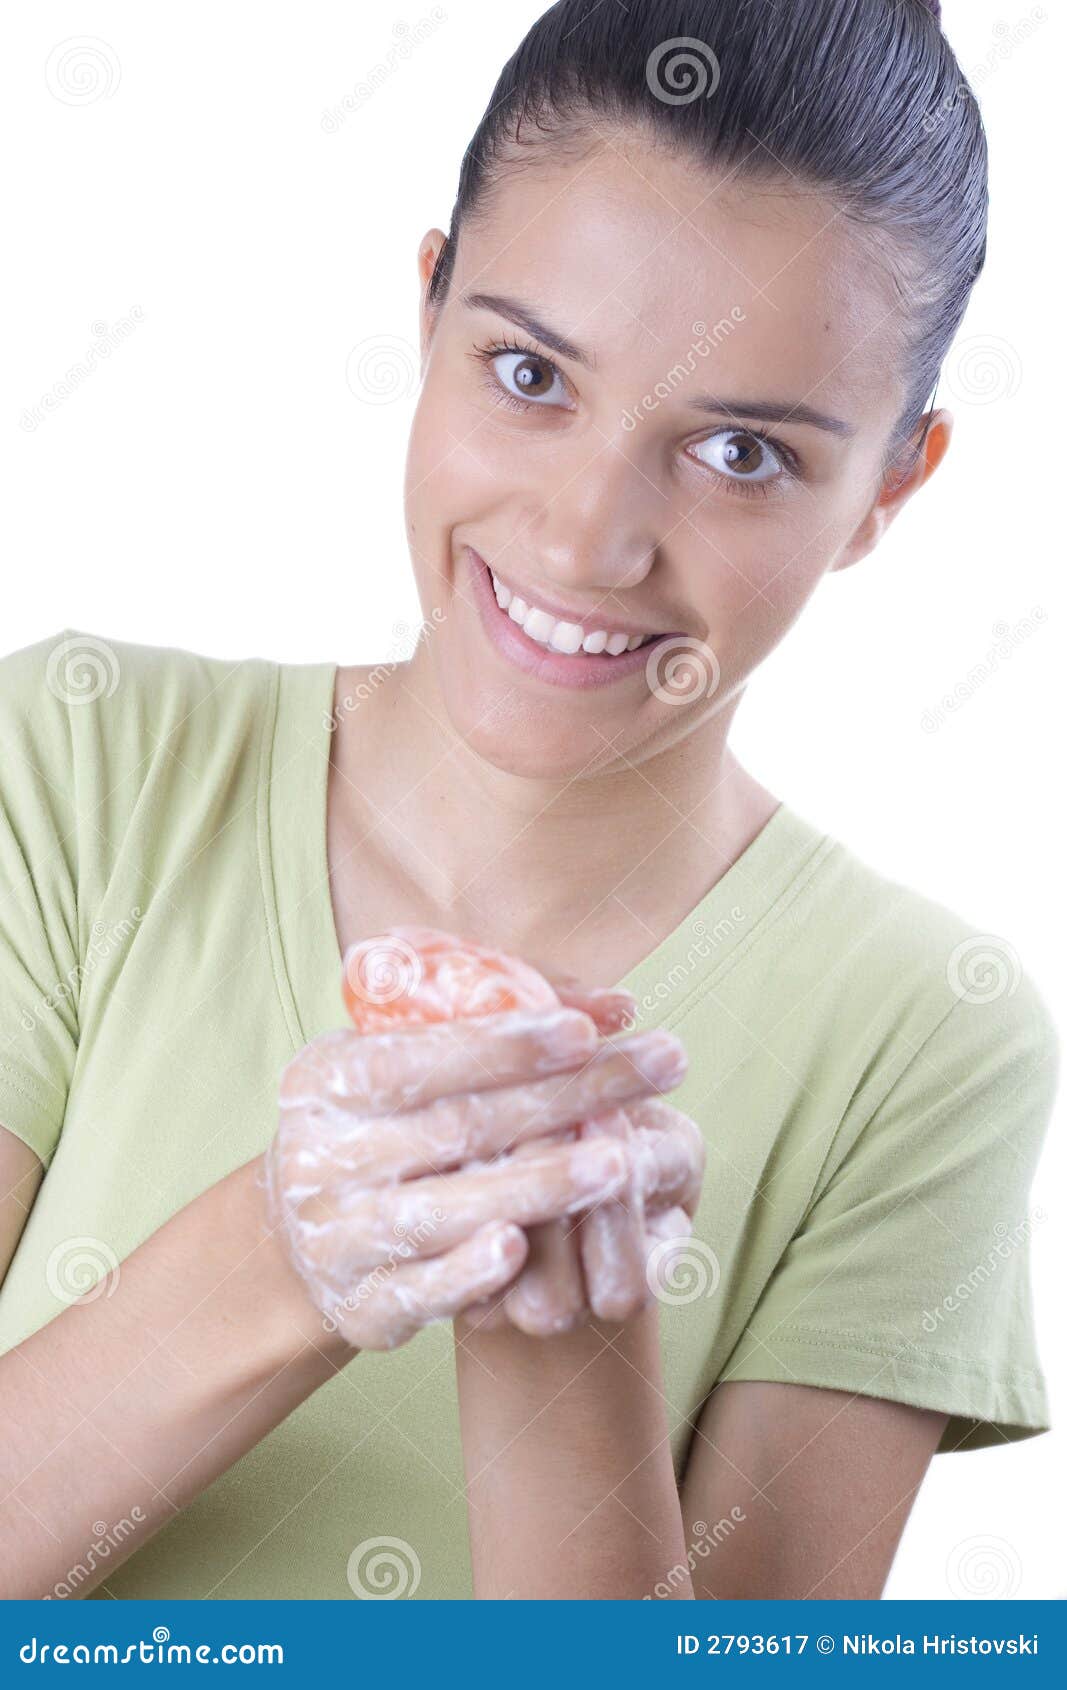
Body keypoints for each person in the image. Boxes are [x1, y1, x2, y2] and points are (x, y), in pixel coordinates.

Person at [0, 0, 1057, 1601]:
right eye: (528, 371)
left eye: (745, 454)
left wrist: (561, 1337)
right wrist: (294, 1244)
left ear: (887, 491)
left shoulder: (924, 1039)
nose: (585, 541)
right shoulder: (76, 764)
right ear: (426, 311)